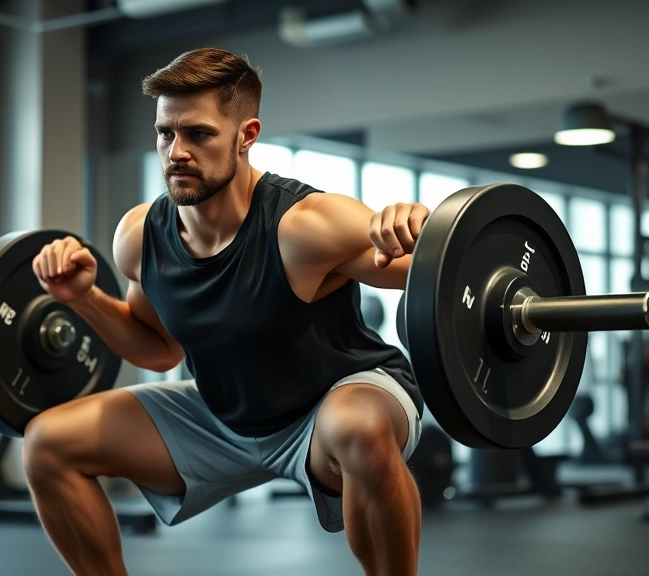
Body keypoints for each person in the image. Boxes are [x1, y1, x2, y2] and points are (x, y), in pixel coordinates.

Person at [26, 47, 429, 576]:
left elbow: (436, 272)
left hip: (330, 407)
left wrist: (421, 224)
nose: (176, 151)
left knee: (359, 427)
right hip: (223, 415)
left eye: (198, 134)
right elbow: (157, 349)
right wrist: (83, 298)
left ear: (247, 134)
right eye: (165, 133)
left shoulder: (306, 224)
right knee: (49, 443)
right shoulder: (140, 237)